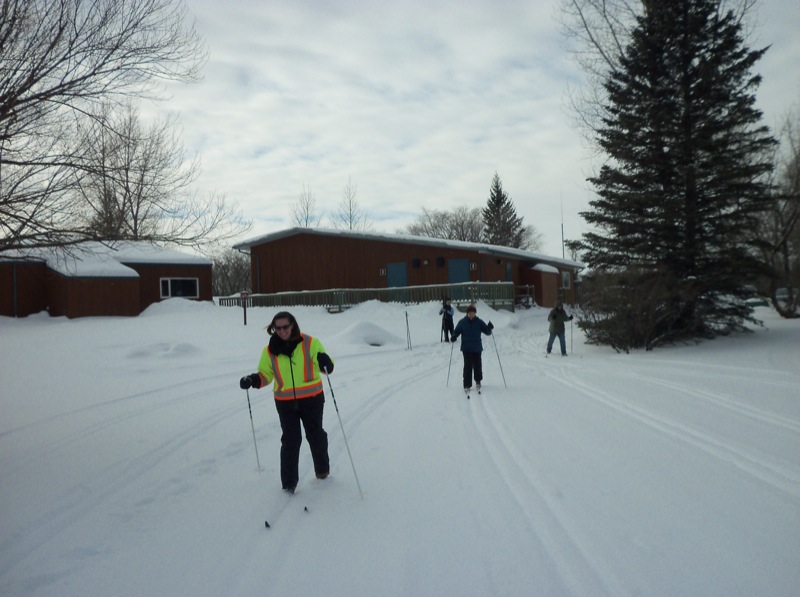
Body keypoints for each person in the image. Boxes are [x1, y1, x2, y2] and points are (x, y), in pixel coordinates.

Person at [239, 311, 334, 494]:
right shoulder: (270, 350)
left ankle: (322, 471)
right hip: (284, 402)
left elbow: (324, 364)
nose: (281, 331)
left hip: (312, 398)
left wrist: (326, 362)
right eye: (278, 328)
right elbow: (265, 375)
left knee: (315, 435)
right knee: (291, 440)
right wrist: (253, 380)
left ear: (293, 325)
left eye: (285, 327)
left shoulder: (310, 343)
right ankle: (289, 484)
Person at [450, 304, 493, 392]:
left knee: (477, 365)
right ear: (467, 313)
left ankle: (478, 381)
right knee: (467, 366)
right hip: (466, 348)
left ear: (475, 313)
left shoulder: (479, 322)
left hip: (477, 347)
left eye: (472, 313)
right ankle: (467, 384)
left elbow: (487, 332)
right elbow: (456, 331)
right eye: (469, 313)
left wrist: (489, 328)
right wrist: (454, 336)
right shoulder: (462, 322)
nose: (471, 314)